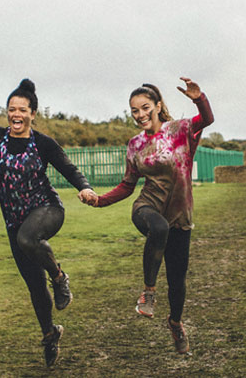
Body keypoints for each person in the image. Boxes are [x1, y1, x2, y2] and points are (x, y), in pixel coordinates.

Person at [0, 79, 95, 368]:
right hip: (14, 222)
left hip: (47, 210)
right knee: (33, 284)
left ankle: (59, 277)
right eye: (11, 109)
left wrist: (85, 187)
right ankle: (50, 334)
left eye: (23, 110)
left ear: (33, 114)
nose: (16, 115)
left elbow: (68, 167)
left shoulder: (43, 143)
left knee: (28, 239)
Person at [81, 77, 214, 355]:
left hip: (181, 214)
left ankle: (175, 323)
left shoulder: (180, 129)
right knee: (159, 228)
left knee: (178, 282)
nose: (140, 115)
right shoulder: (134, 144)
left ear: (157, 106)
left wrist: (198, 98)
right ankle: (148, 292)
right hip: (147, 206)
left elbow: (207, 119)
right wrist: (99, 200)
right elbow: (128, 185)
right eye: (134, 111)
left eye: (144, 108)